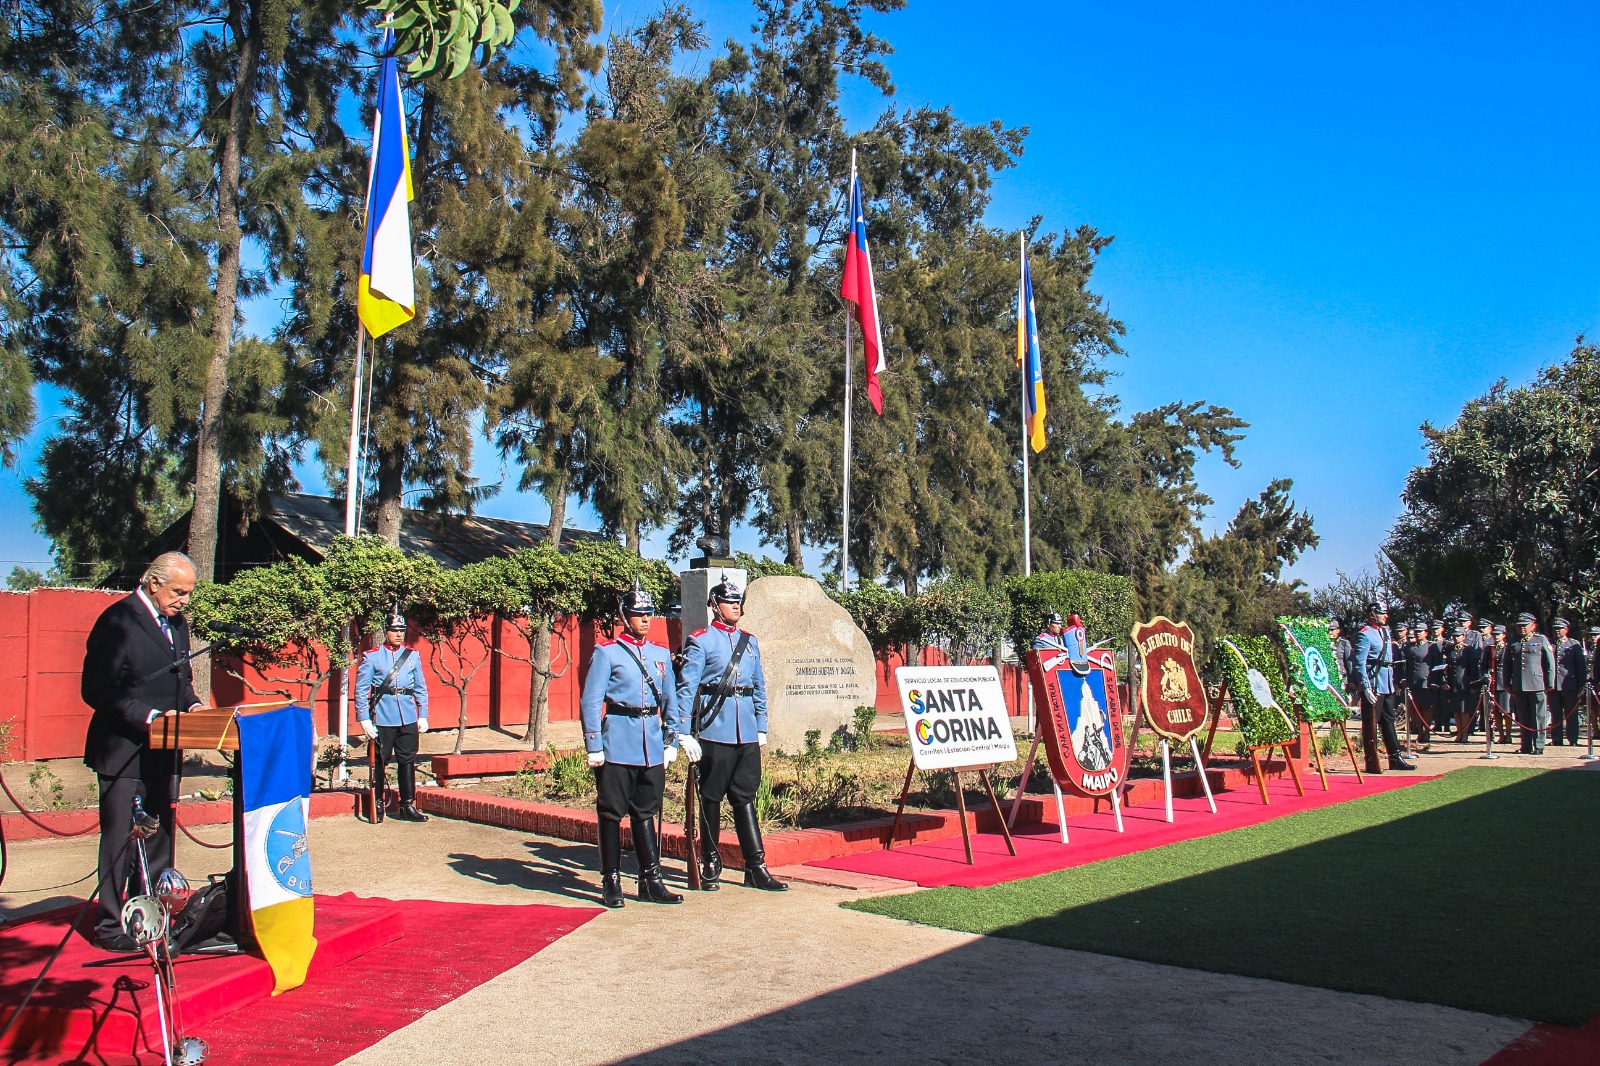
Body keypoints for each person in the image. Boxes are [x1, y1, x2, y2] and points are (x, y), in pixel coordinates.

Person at [81, 551, 206, 952]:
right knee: (121, 837)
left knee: (159, 837)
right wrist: (150, 716)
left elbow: (181, 680)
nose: (184, 600)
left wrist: (195, 707)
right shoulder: (118, 620)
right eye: (178, 591)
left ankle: (151, 917)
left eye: (188, 593)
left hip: (164, 749)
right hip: (123, 747)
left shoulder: (178, 624)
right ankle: (111, 926)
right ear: (153, 583)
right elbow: (96, 690)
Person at [676, 579, 785, 892]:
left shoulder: (749, 642)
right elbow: (688, 688)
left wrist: (761, 725)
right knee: (711, 796)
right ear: (714, 605)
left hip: (746, 731)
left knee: (745, 796)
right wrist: (684, 732)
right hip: (716, 729)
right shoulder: (701, 641)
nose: (736, 607)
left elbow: (758, 686)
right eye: (729, 601)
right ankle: (710, 860)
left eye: (738, 602)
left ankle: (756, 866)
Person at [580, 586, 683, 908]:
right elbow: (591, 699)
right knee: (611, 813)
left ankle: (650, 879)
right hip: (618, 741)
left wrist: (672, 738)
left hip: (651, 743)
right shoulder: (607, 652)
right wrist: (594, 743)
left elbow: (670, 699)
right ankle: (610, 880)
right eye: (638, 614)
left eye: (649, 613)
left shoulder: (660, 654)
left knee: (645, 813)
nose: (645, 619)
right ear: (625, 616)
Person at [355, 613, 431, 822]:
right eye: (394, 630)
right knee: (380, 760)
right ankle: (378, 803)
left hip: (407, 715)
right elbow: (361, 689)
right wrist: (364, 718)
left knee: (407, 760)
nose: (398, 634)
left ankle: (407, 805)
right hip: (383, 716)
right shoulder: (372, 656)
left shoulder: (412, 655)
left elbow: (420, 687)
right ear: (386, 631)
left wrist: (422, 714)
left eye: (401, 631)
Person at [1354, 601, 1414, 772]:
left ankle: (1395, 757)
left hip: (1386, 682)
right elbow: (1359, 662)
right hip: (1373, 684)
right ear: (1372, 614)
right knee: (1371, 723)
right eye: (1382, 613)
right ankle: (1371, 760)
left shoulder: (1385, 632)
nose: (1385, 616)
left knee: (1388, 720)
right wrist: (1365, 686)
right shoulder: (1365, 634)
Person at [1505, 613, 1555, 755]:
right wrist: (1507, 682)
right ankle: (1525, 746)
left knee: (1538, 717)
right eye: (1519, 626)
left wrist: (1549, 682)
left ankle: (1539, 746)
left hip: (1536, 684)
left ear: (1532, 626)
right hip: (1519, 685)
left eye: (1524, 626)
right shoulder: (1513, 641)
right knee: (1523, 717)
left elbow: (1549, 663)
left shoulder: (1540, 639)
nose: (1521, 628)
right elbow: (1507, 663)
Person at [1549, 618, 1588, 746]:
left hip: (1569, 684)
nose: (1556, 631)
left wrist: (1580, 685)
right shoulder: (1550, 644)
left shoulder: (1573, 644)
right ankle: (1557, 739)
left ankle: (1573, 739)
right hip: (1553, 685)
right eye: (1555, 629)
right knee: (1555, 713)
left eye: (1559, 629)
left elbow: (1581, 667)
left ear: (1566, 630)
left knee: (1571, 713)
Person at [1402, 622, 1434, 746]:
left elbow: (1435, 664)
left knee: (1426, 708)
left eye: (1420, 631)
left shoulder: (1431, 647)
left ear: (1426, 633)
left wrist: (1435, 681)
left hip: (1425, 681)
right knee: (1415, 708)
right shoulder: (1409, 647)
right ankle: (1419, 731)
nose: (1417, 634)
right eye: (1416, 632)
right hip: (1413, 681)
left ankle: (1427, 731)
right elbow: (1406, 664)